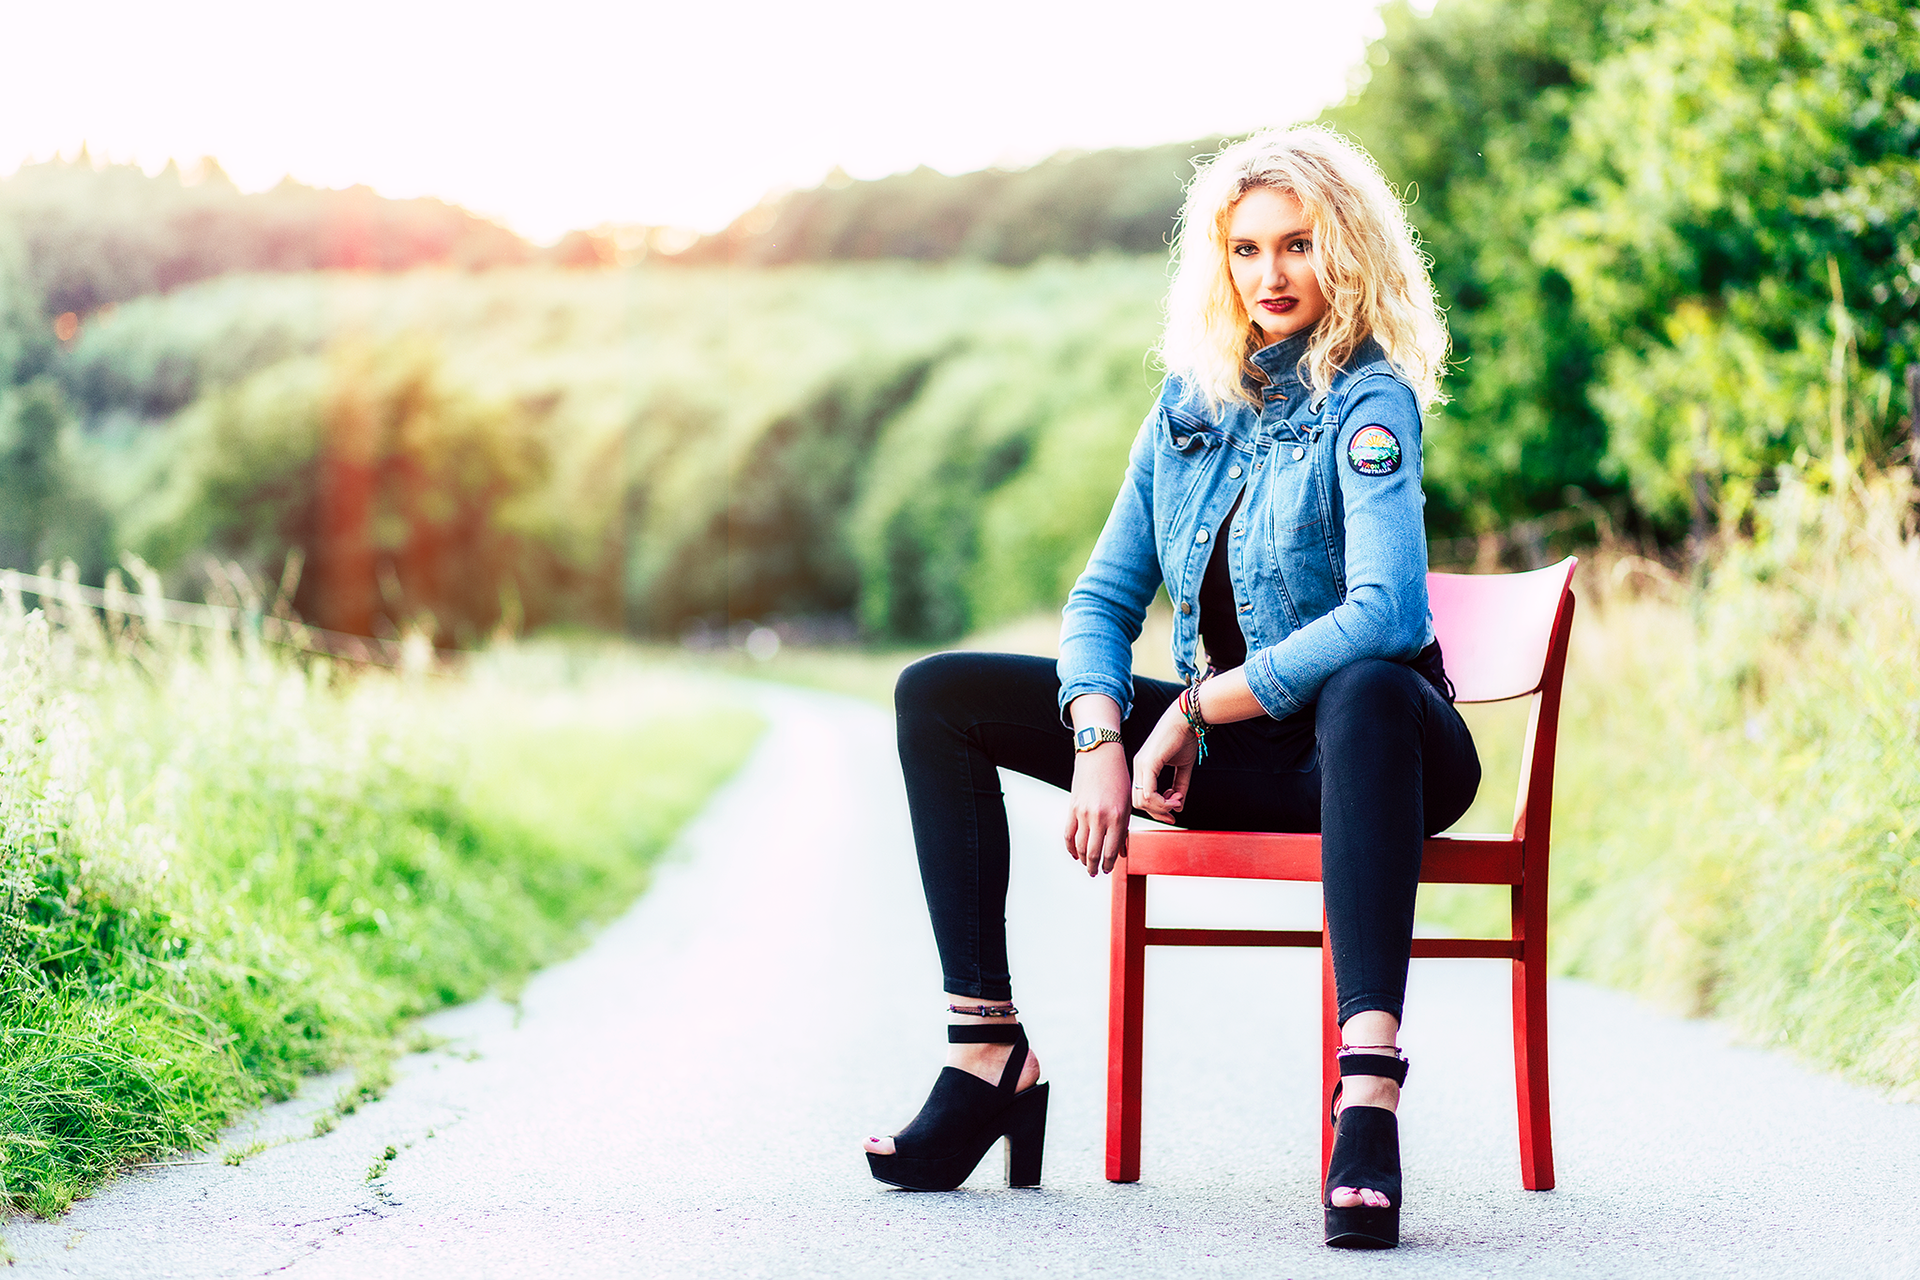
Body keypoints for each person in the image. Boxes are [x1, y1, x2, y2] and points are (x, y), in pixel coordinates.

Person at [863, 125, 1480, 1251]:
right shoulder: (1191, 409)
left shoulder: (1370, 402)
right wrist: (1099, 733)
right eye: (1246, 250)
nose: (1270, 275)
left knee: (1364, 687)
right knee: (936, 692)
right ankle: (987, 1051)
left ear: (1346, 250)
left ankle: (1367, 1095)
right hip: (1238, 762)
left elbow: (1389, 615)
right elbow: (1102, 598)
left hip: (1380, 755)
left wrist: (1193, 708)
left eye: (1298, 244)